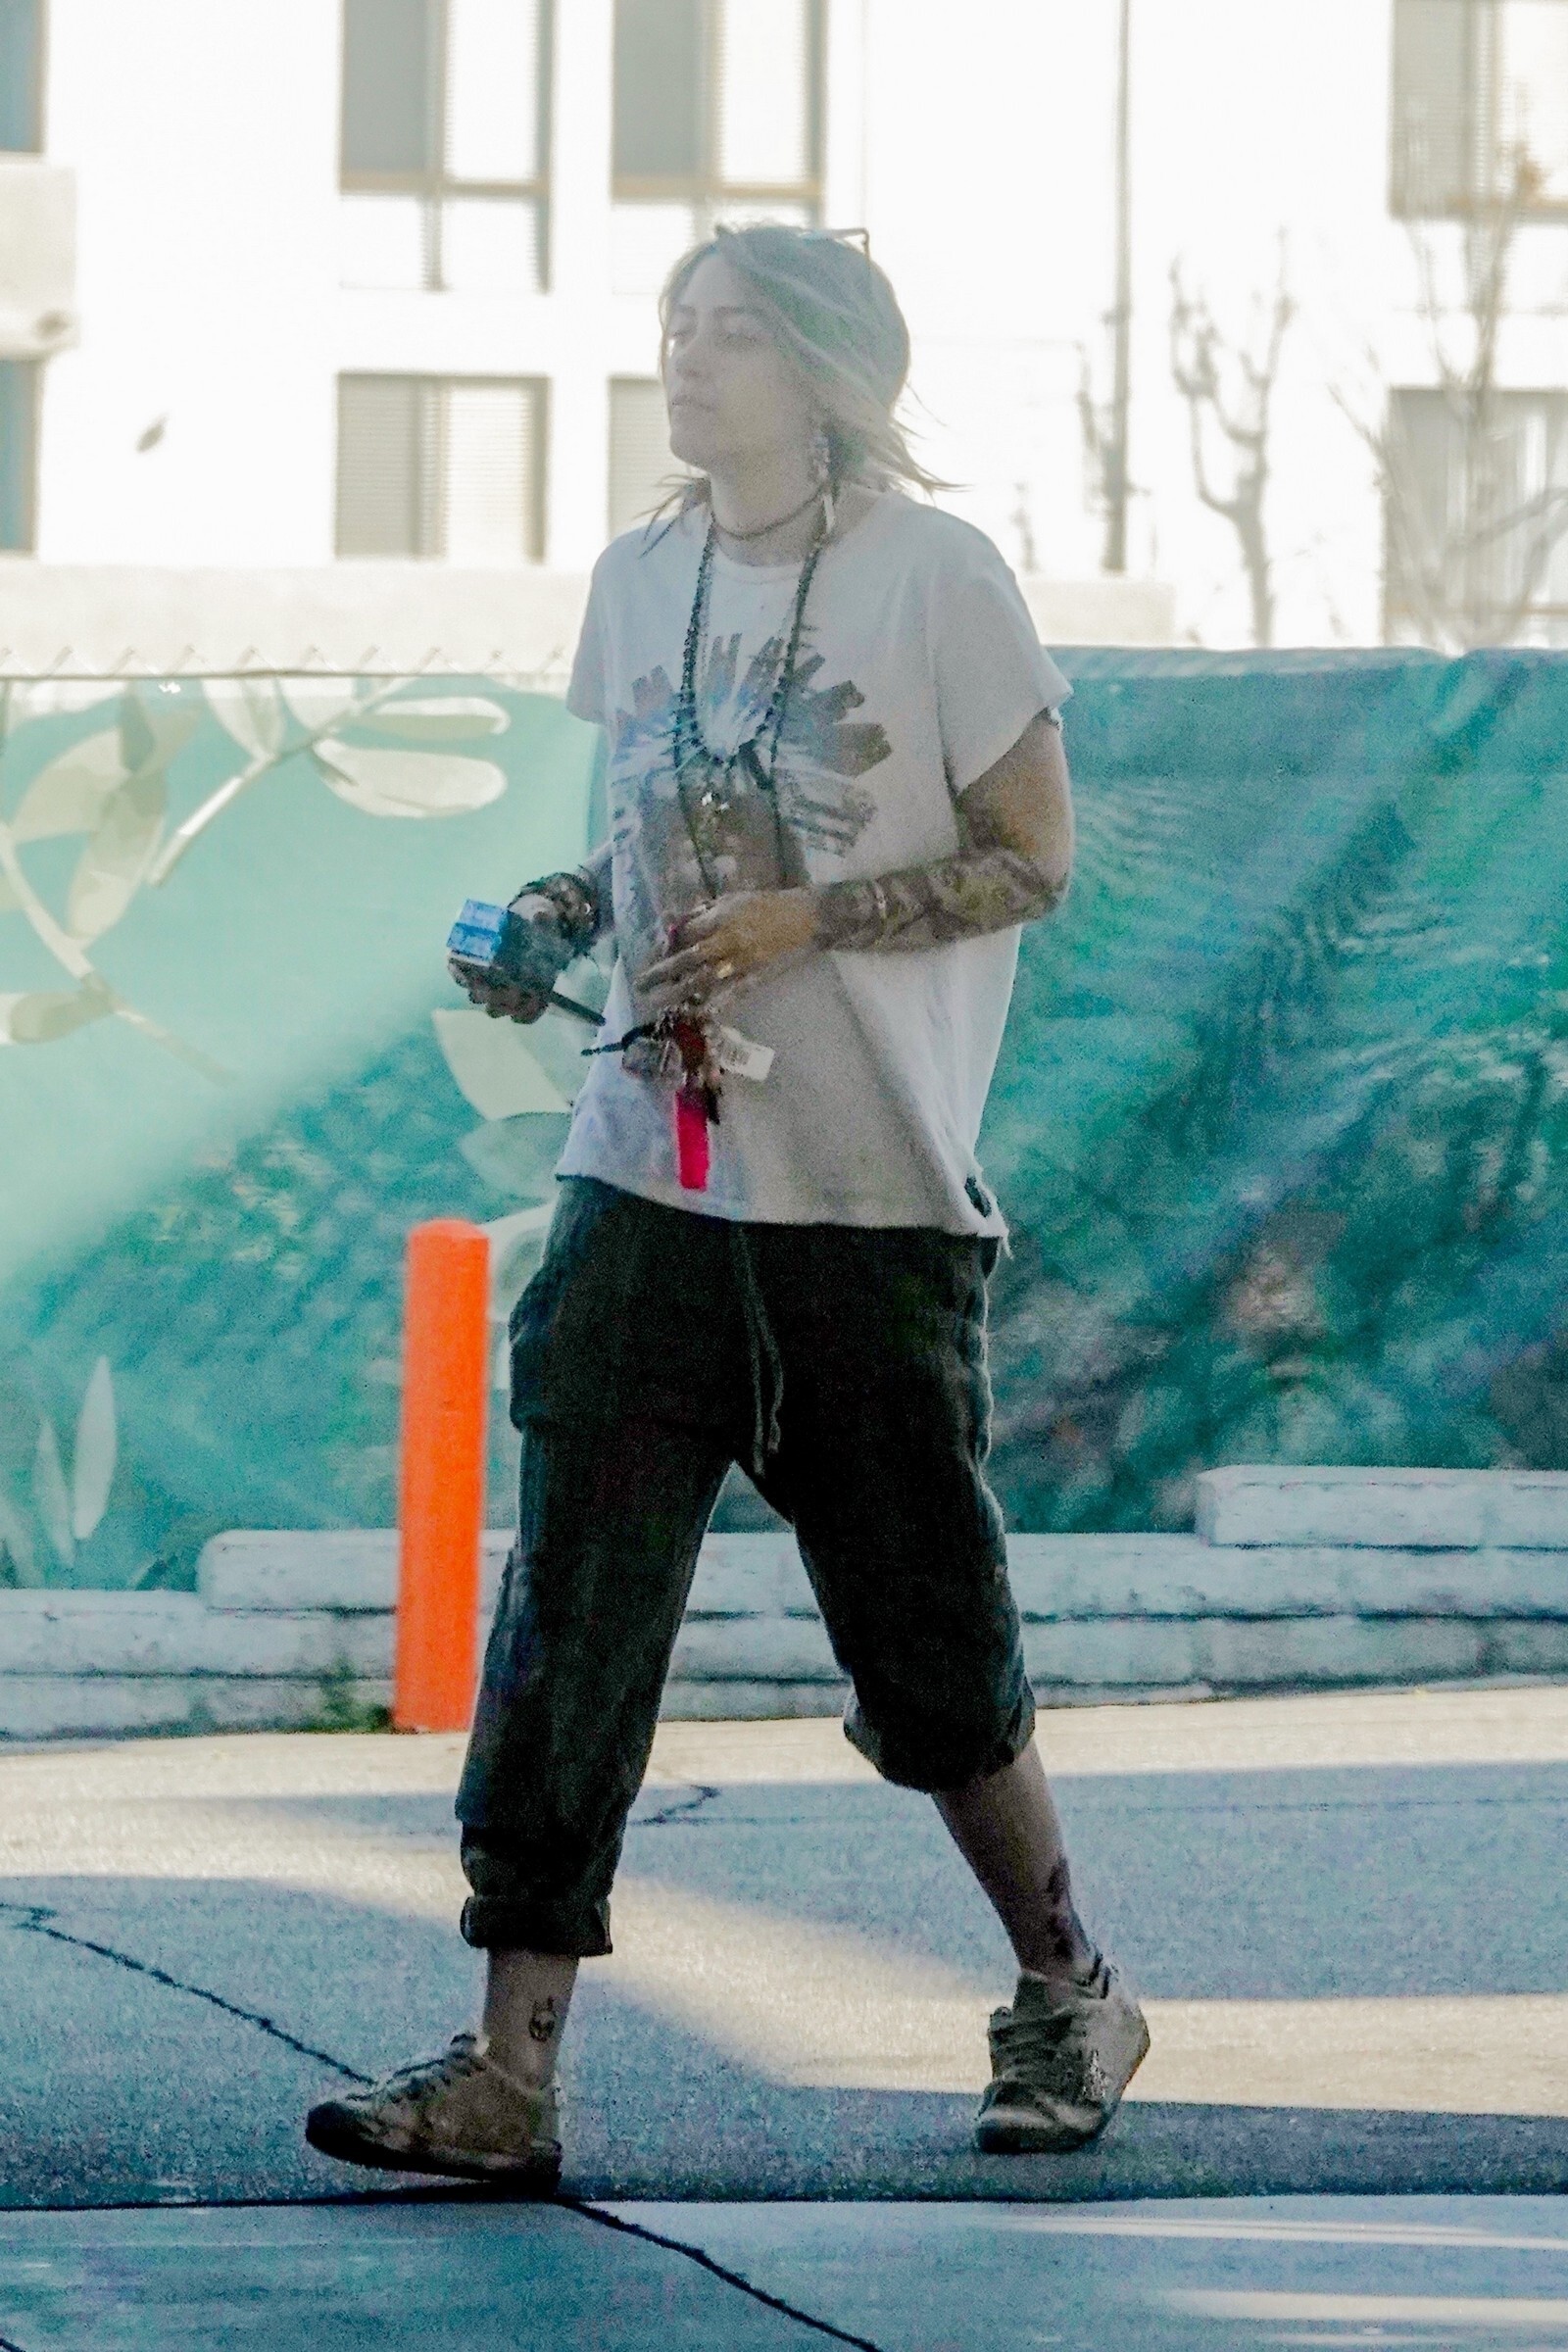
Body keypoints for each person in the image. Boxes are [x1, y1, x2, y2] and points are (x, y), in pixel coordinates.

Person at [306, 223, 1149, 2189]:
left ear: (830, 369)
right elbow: (635, 844)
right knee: (569, 1627)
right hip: (642, 1179)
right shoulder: (641, 576)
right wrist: (552, 918)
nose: (688, 362)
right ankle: (508, 2069)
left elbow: (1032, 855)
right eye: (677, 328)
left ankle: (1065, 1987)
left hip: (866, 1204)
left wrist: (807, 920)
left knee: (926, 1650)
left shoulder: (937, 576)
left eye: (736, 334)